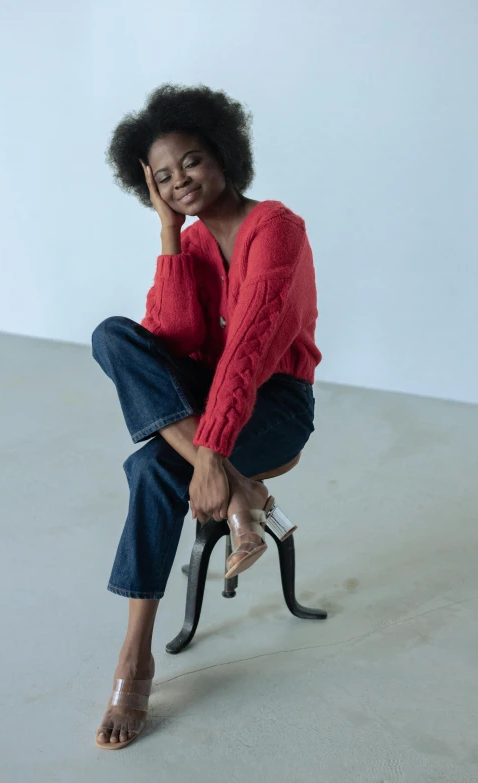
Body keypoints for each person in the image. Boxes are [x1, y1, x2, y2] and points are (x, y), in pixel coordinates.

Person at [91, 82, 322, 749]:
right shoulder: (191, 241)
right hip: (211, 405)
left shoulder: (275, 226)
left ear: (222, 151)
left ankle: (134, 656)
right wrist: (168, 233)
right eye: (162, 175)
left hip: (274, 402)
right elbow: (173, 340)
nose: (180, 180)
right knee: (113, 334)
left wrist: (212, 450)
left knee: (149, 467)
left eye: (189, 161)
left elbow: (247, 351)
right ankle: (245, 498)